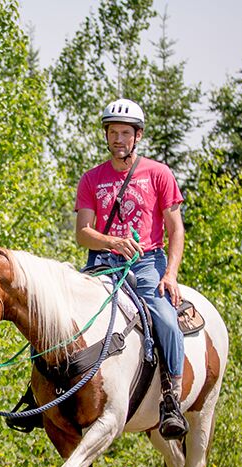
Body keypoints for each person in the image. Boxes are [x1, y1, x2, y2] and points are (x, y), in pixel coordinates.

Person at [73, 98, 188, 440]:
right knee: (60, 315)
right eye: (113, 132)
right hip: (102, 264)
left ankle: (171, 397)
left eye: (125, 133)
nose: (118, 139)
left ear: (137, 136)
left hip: (147, 264)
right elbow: (82, 233)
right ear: (106, 135)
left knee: (166, 320)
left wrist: (171, 274)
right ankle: (41, 397)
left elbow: (176, 229)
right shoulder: (92, 179)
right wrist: (111, 242)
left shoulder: (158, 173)